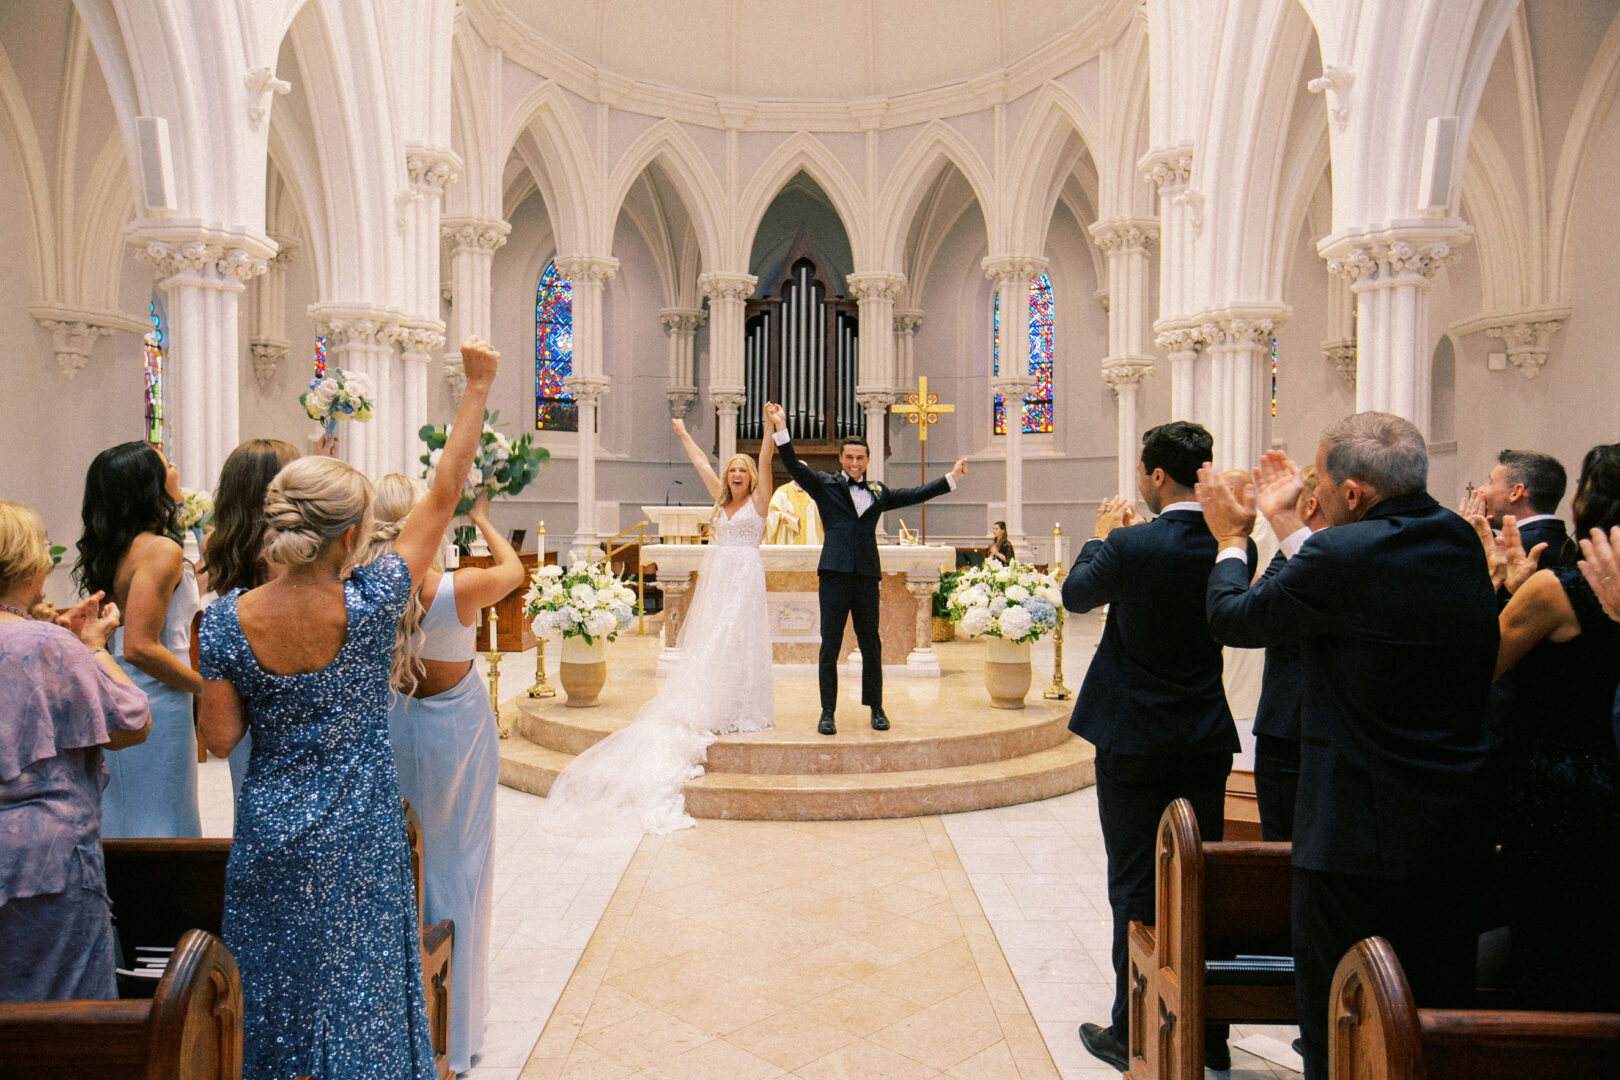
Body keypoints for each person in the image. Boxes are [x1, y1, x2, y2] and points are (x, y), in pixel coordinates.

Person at [197, 337, 498, 1080]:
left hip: (271, 833)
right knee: (362, 1002)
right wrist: (476, 387)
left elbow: (218, 737)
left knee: (272, 998)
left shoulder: (225, 620)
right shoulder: (371, 606)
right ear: (351, 537)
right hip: (361, 832)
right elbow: (442, 494)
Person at [1197, 412, 1498, 1080]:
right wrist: (1292, 528)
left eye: (1325, 487)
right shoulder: (1457, 538)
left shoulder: (1338, 556)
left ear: (1354, 494)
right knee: (1430, 1023)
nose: (1319, 499)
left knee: (1339, 1026)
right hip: (1451, 831)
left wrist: (1232, 540)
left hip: (1355, 842)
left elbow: (1234, 619)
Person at [1062, 421, 1245, 1074]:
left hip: (1134, 738)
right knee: (1203, 880)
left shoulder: (1132, 545)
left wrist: (1101, 536)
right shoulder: (1229, 546)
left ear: (1156, 476)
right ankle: (1211, 1032)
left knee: (1137, 883)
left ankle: (1130, 1029)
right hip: (1201, 735)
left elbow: (1074, 596)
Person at [537, 414, 776, 835]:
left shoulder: (760, 501)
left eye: (743, 469)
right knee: (712, 641)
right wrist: (684, 432)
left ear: (752, 477)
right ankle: (714, 699)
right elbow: (702, 462)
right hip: (719, 576)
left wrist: (771, 429)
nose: (737, 473)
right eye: (733, 469)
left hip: (746, 576)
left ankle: (741, 704)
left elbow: (768, 457)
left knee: (740, 640)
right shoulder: (720, 501)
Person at [360, 480, 523, 1074]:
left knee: (401, 863)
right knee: (462, 864)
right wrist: (480, 520)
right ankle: (458, 1026)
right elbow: (513, 570)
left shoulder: (363, 595)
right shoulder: (459, 588)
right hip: (459, 732)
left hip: (395, 724)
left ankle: (399, 1020)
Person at [0, 500, 150, 1001]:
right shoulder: (47, 645)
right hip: (43, 863)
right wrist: (92, 648)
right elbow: (130, 720)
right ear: (31, 564)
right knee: (63, 1017)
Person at [1492, 442, 1620, 1010]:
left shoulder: (1561, 587)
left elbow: (1479, 663)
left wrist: (1501, 584)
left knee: (1552, 940)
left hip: (1558, 784)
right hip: (1607, 770)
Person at [765, 401, 966, 735]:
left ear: (868, 461)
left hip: (866, 575)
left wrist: (951, 479)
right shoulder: (825, 486)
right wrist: (780, 426)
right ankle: (827, 711)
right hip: (833, 573)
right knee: (829, 643)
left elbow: (915, 494)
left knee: (871, 643)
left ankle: (876, 707)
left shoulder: (878, 492)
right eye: (849, 457)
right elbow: (792, 465)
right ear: (841, 459)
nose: (855, 463)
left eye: (860, 458)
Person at [73, 441, 202, 837]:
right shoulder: (159, 550)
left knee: (131, 814)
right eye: (167, 463)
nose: (176, 466)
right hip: (158, 697)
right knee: (162, 817)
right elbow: (141, 647)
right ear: (149, 485)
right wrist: (206, 687)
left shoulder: (126, 548)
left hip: (125, 689)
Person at [204, 437, 302, 797]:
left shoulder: (217, 542)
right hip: (290, 677)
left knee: (250, 792)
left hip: (242, 677)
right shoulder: (286, 551)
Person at [1249, 465, 1328, 841]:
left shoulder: (1301, 558)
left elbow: (1248, 613)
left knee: (1283, 843)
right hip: (1330, 725)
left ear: (1309, 506)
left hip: (1289, 723)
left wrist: (1232, 541)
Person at [1467, 449, 1576, 570]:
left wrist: (1467, 539)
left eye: (1490, 482)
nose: (1480, 490)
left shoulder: (1513, 550)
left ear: (1516, 492)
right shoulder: (1569, 545)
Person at [765, 478, 824, 545]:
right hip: (788, 542)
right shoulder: (782, 492)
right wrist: (782, 516)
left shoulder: (815, 492)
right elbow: (771, 513)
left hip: (811, 543)